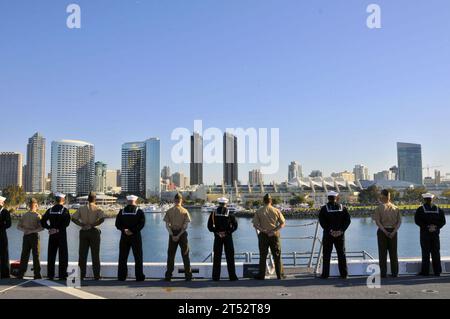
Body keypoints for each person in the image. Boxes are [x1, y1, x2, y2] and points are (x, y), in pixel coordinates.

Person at [71, 192, 105, 280]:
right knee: (95, 255)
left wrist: (82, 224)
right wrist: (92, 225)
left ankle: (81, 275)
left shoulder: (81, 208)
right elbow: (102, 219)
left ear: (88, 199)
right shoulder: (97, 208)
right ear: (95, 199)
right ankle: (97, 275)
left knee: (82, 255)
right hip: (94, 232)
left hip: (83, 232)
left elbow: (73, 218)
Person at [252, 194, 286, 280]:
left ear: (263, 201)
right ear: (271, 201)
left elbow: (255, 225)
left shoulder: (259, 211)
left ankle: (261, 275)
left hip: (263, 235)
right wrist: (274, 231)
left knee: (263, 255)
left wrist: (263, 230)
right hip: (274, 235)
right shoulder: (276, 210)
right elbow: (282, 224)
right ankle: (280, 275)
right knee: (277, 255)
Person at [318, 191, 351, 279]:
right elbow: (347, 221)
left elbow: (322, 222)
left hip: (328, 235)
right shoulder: (343, 208)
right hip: (340, 235)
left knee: (326, 254)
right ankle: (344, 274)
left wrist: (330, 231)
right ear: (336, 198)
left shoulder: (324, 209)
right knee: (341, 254)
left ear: (328, 198)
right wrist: (341, 230)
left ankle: (325, 274)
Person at [41, 193, 71, 280]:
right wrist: (58, 229)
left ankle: (50, 275)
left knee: (51, 256)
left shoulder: (50, 210)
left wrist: (50, 228)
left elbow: (43, 222)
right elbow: (67, 223)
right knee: (63, 256)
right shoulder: (65, 210)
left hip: (52, 236)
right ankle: (62, 275)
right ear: (62, 200)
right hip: (61, 235)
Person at [115, 195, 146, 281]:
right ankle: (139, 277)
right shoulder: (139, 212)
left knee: (122, 257)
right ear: (135, 201)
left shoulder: (122, 211)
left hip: (124, 236)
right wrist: (132, 230)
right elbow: (142, 224)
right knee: (138, 257)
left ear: (128, 201)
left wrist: (124, 230)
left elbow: (117, 224)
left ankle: (121, 276)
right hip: (136, 236)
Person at [207, 197, 238, 281]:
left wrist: (217, 232)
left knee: (217, 257)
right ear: (226, 204)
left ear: (219, 203)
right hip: (228, 237)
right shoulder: (230, 213)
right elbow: (235, 226)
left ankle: (216, 277)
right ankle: (232, 277)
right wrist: (226, 233)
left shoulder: (213, 214)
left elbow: (209, 226)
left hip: (217, 237)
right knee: (230, 257)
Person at [415, 193, 446, 276]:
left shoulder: (420, 209)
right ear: (432, 199)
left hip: (425, 234)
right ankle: (437, 271)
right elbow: (443, 222)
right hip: (435, 234)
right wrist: (435, 227)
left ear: (424, 199)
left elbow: (417, 221)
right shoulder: (439, 209)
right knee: (436, 252)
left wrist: (427, 227)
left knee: (425, 253)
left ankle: (425, 272)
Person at [164, 193, 192, 282]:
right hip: (182, 234)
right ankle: (188, 276)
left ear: (174, 200)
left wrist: (172, 235)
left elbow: (167, 225)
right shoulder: (185, 211)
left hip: (172, 233)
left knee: (171, 255)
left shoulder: (169, 211)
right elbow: (185, 226)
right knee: (185, 255)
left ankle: (168, 276)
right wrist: (179, 235)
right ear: (181, 200)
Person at [373, 189, 401, 278]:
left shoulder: (379, 208)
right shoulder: (396, 208)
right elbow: (399, 222)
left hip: (382, 232)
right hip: (393, 231)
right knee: (393, 253)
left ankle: (383, 273)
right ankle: (395, 272)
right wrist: (393, 232)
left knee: (382, 253)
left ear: (383, 196)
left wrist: (385, 231)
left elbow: (377, 222)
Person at [17, 198, 44, 279]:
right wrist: (32, 231)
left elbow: (18, 226)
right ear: (36, 205)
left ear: (29, 205)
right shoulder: (38, 216)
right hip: (34, 236)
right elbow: (41, 228)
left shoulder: (24, 215)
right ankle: (37, 274)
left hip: (26, 236)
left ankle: (21, 274)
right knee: (36, 255)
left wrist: (25, 230)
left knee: (24, 255)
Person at [0, 196, 11, 279]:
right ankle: (4, 274)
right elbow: (8, 224)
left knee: (4, 254)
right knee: (4, 254)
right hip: (2, 234)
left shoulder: (5, 212)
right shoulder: (5, 211)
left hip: (2, 234)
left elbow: (9, 224)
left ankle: (5, 273)